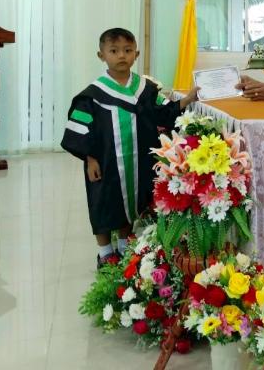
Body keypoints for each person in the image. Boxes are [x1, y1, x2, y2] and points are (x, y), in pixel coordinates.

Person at [61, 28, 198, 268]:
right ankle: (105, 253)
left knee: (132, 202)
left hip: (139, 161)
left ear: (136, 54)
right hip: (105, 162)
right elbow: (79, 132)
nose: (121, 56)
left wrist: (187, 99)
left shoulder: (145, 89)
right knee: (103, 204)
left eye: (127, 50)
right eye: (114, 51)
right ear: (101, 55)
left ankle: (125, 245)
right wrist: (90, 158)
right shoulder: (93, 94)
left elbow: (165, 112)